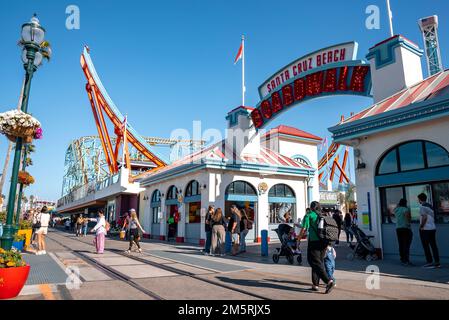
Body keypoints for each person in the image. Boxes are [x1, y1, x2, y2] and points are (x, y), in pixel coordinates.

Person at [298, 201, 335, 294]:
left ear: (311, 207)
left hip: (314, 242)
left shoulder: (309, 215)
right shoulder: (322, 215)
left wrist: (298, 239)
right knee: (318, 263)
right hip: (323, 242)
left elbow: (304, 228)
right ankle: (315, 285)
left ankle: (328, 281)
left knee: (313, 261)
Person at [418, 193, 440, 268]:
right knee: (433, 245)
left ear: (420, 199)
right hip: (433, 228)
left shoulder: (422, 207)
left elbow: (424, 217)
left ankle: (429, 262)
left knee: (426, 246)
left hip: (425, 229)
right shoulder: (430, 206)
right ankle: (437, 262)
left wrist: (421, 226)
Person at [393, 199, 413, 265]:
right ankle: (406, 260)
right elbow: (407, 217)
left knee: (401, 244)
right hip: (405, 228)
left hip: (398, 229)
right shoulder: (405, 209)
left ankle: (402, 259)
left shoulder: (396, 210)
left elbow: (394, 209)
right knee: (406, 244)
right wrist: (408, 223)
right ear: (405, 203)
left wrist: (398, 205)